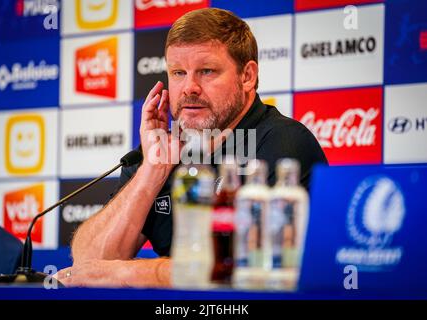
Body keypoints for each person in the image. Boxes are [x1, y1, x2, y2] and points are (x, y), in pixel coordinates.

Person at [56, 8, 327, 287]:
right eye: (178, 73)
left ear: (247, 76)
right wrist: (152, 171)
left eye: (206, 71)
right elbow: (88, 263)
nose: (189, 88)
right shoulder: (163, 149)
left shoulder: (284, 143)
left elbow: (245, 267)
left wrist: (128, 272)